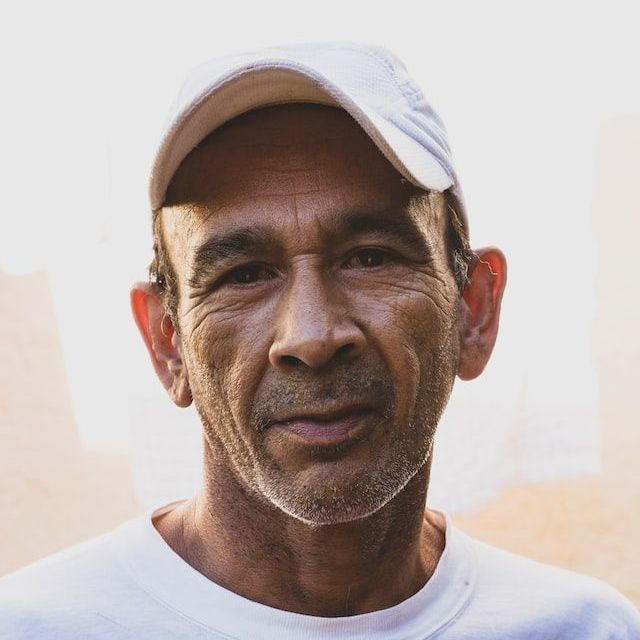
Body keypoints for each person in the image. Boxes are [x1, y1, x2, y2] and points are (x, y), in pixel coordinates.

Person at [1, 42, 639, 639]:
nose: (311, 337)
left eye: (370, 257)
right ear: (168, 344)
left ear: (473, 311)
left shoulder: (585, 629)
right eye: (244, 274)